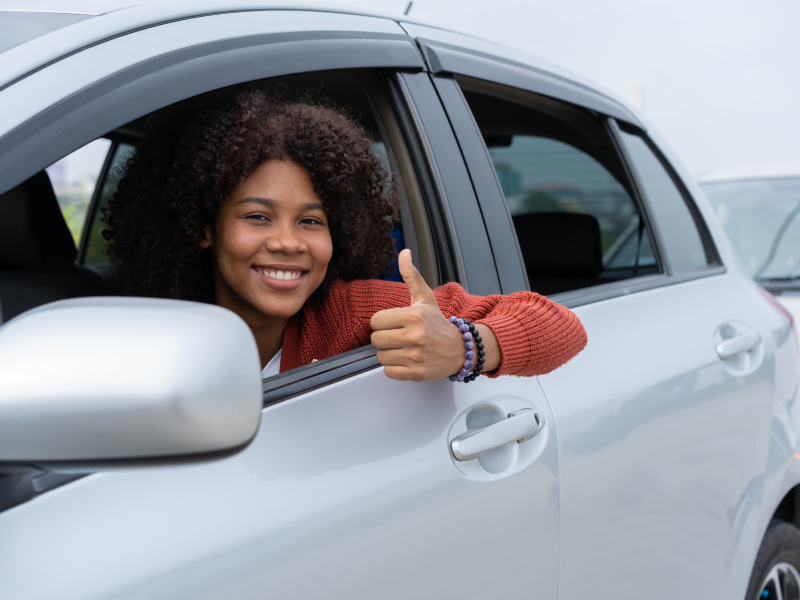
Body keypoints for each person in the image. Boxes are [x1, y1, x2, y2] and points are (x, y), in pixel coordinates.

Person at [104, 91, 586, 382]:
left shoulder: (352, 312)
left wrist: (466, 347)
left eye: (311, 221)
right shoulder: (145, 334)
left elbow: (561, 325)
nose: (290, 243)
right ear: (204, 228)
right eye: (258, 217)